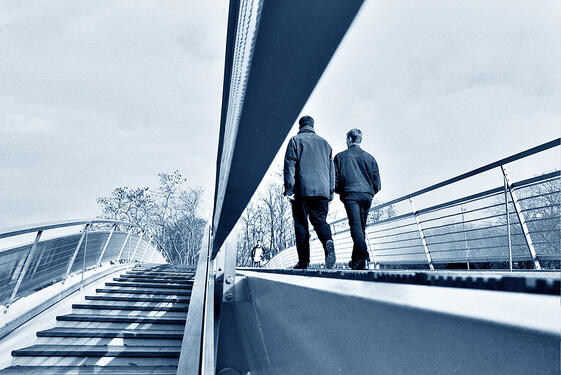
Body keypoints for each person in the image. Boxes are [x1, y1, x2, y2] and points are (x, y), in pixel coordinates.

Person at [284, 115, 336, 269]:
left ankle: (304, 261)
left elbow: (289, 167)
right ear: (313, 126)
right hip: (322, 191)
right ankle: (328, 240)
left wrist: (289, 189)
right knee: (320, 220)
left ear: (300, 126)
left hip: (301, 190)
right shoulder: (325, 144)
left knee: (301, 224)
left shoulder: (295, 141)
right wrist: (330, 192)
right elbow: (331, 171)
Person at [334, 129, 381, 270]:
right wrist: (370, 192)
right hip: (367, 195)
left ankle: (365, 256)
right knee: (361, 228)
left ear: (349, 139)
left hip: (351, 195)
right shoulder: (370, 158)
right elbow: (377, 183)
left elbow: (334, 182)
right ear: (360, 139)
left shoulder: (340, 157)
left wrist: (341, 191)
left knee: (355, 226)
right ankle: (356, 262)